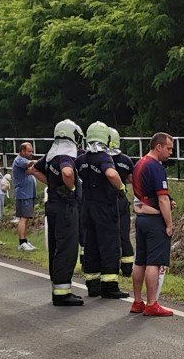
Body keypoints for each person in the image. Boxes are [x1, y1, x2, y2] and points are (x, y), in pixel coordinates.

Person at [33, 121, 86, 306]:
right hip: (66, 207)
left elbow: (33, 169)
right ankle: (63, 293)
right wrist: (70, 187)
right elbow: (67, 171)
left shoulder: (51, 153)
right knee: (67, 247)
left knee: (56, 247)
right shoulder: (66, 154)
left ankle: (58, 288)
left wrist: (52, 184)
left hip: (53, 205)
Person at [78, 122, 129, 300]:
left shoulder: (82, 159)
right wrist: (121, 188)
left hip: (87, 207)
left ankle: (93, 285)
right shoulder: (103, 157)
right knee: (109, 246)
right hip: (105, 208)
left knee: (91, 245)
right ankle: (110, 287)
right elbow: (111, 174)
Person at [130, 132, 177, 317]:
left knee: (139, 261)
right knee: (154, 262)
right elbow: (162, 198)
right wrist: (169, 224)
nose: (170, 152)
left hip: (141, 217)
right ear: (158, 146)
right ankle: (152, 303)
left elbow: (143, 193)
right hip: (154, 219)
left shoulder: (139, 164)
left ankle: (137, 301)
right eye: (169, 148)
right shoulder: (155, 167)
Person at [107, 133, 136, 280]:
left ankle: (109, 268)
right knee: (124, 235)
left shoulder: (100, 159)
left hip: (105, 202)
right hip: (121, 199)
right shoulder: (126, 160)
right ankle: (127, 269)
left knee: (108, 236)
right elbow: (131, 178)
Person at [11, 142, 38, 250]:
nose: (31, 153)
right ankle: (21, 242)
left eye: (31, 151)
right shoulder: (19, 160)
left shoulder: (25, 161)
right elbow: (30, 164)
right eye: (29, 151)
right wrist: (39, 161)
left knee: (27, 218)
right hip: (23, 193)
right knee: (23, 218)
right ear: (22, 151)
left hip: (29, 193)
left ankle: (25, 241)